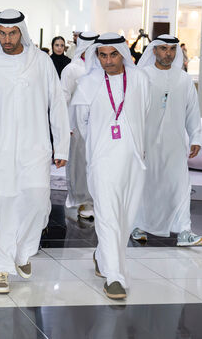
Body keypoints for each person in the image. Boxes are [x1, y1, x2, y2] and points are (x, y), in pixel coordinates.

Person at [0, 10, 70, 294]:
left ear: (22, 32)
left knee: (37, 201)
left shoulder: (40, 62)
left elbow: (57, 104)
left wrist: (61, 145)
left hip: (35, 147)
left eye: (12, 33)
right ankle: (0, 268)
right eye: (2, 33)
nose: (7, 39)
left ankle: (23, 252)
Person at [70, 32, 150, 301]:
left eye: (112, 54)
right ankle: (114, 276)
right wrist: (98, 146)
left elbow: (145, 114)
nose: (107, 60)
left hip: (133, 160)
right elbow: (81, 123)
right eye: (102, 55)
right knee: (107, 215)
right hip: (102, 160)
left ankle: (101, 255)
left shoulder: (140, 79)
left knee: (125, 218)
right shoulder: (88, 83)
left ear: (123, 53)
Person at [132, 36, 202, 246]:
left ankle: (184, 230)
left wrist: (195, 137)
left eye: (172, 49)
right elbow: (133, 112)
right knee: (146, 184)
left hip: (175, 143)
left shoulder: (183, 79)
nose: (168, 53)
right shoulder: (142, 76)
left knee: (181, 184)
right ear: (154, 51)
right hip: (146, 142)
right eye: (163, 49)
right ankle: (139, 225)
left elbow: (193, 110)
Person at [61, 31, 99, 221]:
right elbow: (63, 98)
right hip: (76, 124)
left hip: (99, 124)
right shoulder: (73, 69)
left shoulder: (102, 67)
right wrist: (64, 125)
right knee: (79, 162)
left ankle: (98, 200)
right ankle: (83, 200)